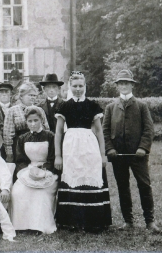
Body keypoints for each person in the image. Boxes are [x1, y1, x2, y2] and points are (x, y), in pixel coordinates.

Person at [103, 69, 160, 233]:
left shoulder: (141, 106)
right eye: (121, 83)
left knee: (144, 185)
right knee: (122, 186)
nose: (124, 86)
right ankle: (128, 221)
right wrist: (110, 148)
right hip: (118, 156)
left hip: (138, 156)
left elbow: (149, 130)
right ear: (117, 86)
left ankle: (150, 221)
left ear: (132, 85)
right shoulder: (111, 107)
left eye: (126, 83)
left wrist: (143, 148)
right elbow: (105, 131)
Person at [54, 71, 112, 231]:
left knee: (89, 176)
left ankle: (94, 221)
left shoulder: (92, 106)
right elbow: (58, 132)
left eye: (81, 86)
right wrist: (58, 156)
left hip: (89, 147)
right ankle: (71, 221)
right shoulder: (64, 106)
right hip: (71, 147)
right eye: (75, 86)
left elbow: (99, 132)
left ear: (85, 86)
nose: (78, 89)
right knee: (72, 178)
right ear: (69, 87)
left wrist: (102, 154)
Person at [10, 106, 58, 234]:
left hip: (47, 171)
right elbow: (20, 160)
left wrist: (43, 170)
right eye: (30, 121)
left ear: (41, 120)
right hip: (28, 170)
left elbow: (53, 158)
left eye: (36, 120)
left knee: (40, 194)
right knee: (18, 192)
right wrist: (27, 171)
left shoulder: (50, 136)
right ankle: (21, 225)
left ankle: (38, 226)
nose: (33, 124)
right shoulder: (22, 138)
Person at [3, 82, 48, 164]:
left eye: (34, 95)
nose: (32, 97)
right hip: (19, 146)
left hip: (37, 144)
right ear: (21, 96)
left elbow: (46, 129)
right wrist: (9, 153)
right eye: (30, 95)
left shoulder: (40, 110)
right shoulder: (13, 110)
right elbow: (7, 134)